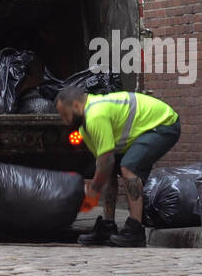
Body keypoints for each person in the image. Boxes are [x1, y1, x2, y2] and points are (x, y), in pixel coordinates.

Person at [55, 86, 181, 247]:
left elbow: (107, 162)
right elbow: (104, 165)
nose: (64, 121)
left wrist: (93, 191)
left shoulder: (95, 115)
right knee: (109, 173)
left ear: (76, 106)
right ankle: (108, 226)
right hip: (144, 129)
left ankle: (135, 230)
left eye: (65, 115)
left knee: (128, 168)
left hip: (164, 123)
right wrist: (97, 184)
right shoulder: (85, 129)